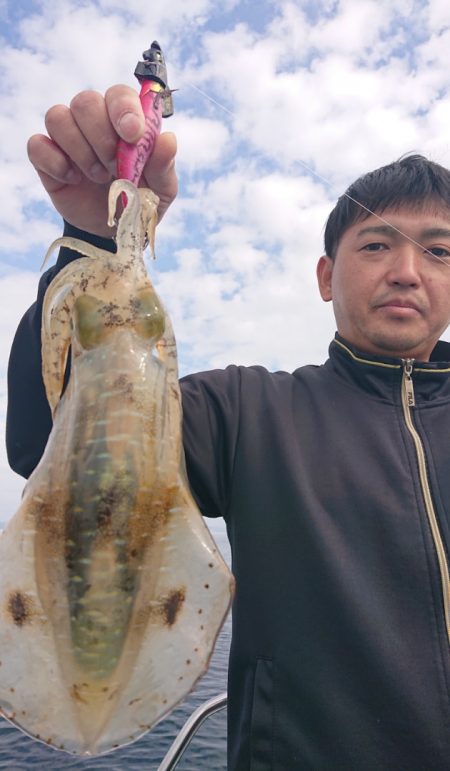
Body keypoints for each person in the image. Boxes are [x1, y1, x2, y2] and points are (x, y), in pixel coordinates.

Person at [6, 85, 450, 770]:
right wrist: (93, 243)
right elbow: (53, 440)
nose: (406, 272)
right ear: (326, 276)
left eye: (439, 251)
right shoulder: (249, 412)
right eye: (377, 244)